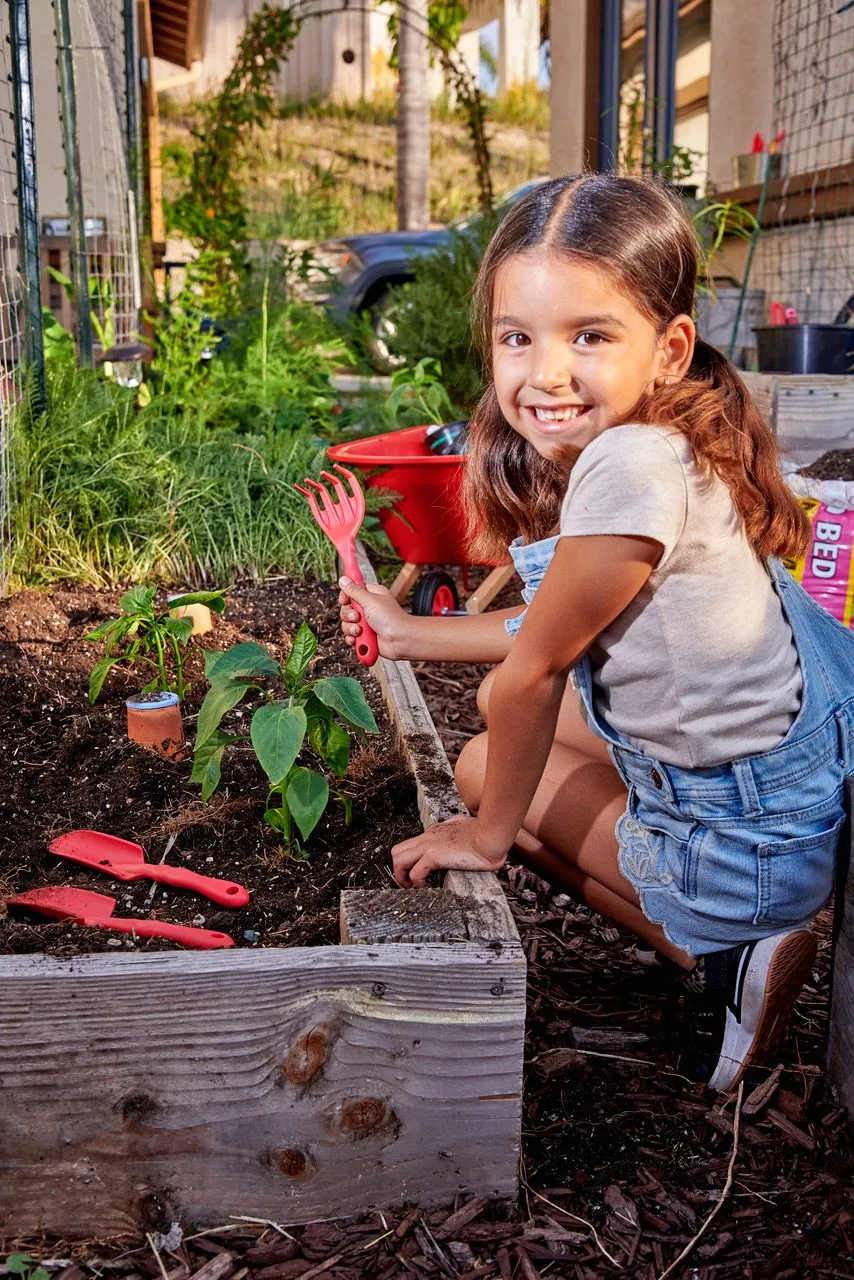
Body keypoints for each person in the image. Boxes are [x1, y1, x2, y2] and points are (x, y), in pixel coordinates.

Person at [337, 174, 854, 1091]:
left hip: (756, 841)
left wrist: (486, 837)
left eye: (589, 336)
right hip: (790, 771)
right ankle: (723, 910)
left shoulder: (626, 465)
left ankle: (726, 956)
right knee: (495, 705)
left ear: (668, 348)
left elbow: (541, 667)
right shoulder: (677, 429)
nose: (546, 374)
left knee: (477, 769)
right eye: (518, 338)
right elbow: (549, 626)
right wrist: (407, 633)